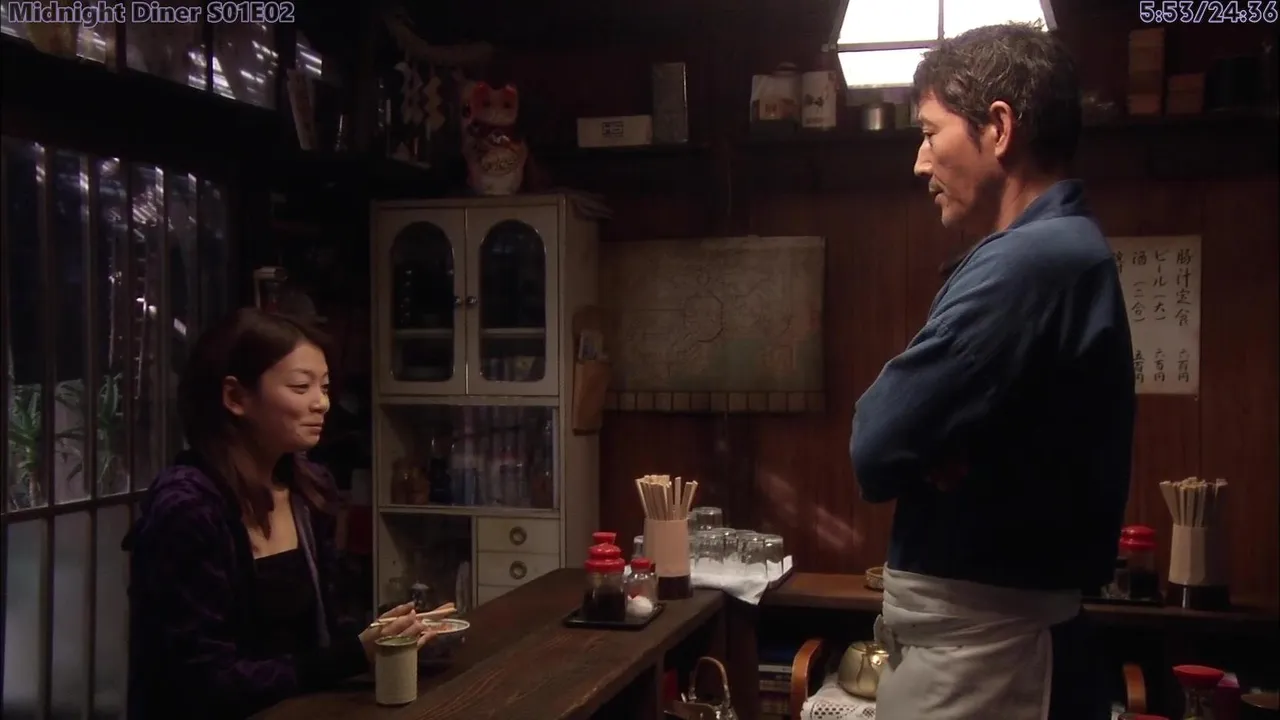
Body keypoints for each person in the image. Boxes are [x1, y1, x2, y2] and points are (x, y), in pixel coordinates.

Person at [849, 23, 1134, 720]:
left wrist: (930, 443)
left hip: (989, 659)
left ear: (999, 128)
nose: (919, 162)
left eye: (930, 132)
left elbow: (877, 439)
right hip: (981, 644)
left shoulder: (1033, 261)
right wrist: (939, 443)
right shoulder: (1052, 252)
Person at [124, 308, 440, 719]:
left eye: (325, 387)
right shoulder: (187, 508)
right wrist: (351, 655)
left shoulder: (309, 489)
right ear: (235, 397)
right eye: (300, 387)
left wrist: (390, 633)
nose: (322, 403)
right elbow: (203, 681)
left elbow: (326, 631)